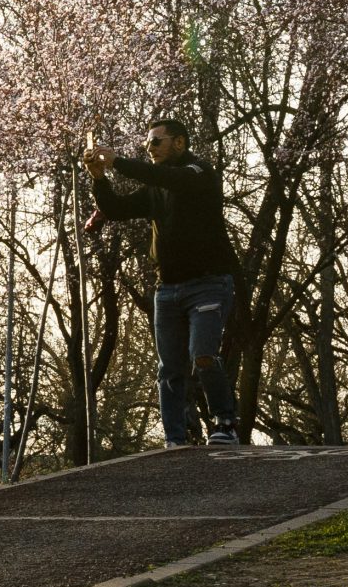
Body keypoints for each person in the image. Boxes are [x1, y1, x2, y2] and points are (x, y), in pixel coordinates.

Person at [86, 118, 245, 448]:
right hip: (168, 288)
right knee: (170, 367)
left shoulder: (198, 174)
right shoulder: (156, 187)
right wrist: (100, 179)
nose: (149, 149)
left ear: (180, 143)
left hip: (209, 282)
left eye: (156, 142)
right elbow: (116, 208)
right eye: (147, 144)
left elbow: (167, 177)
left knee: (202, 354)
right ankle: (175, 439)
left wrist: (119, 162)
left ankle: (226, 422)